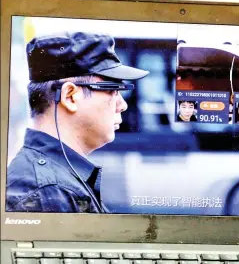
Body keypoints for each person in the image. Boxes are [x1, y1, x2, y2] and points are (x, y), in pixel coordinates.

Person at [6, 32, 149, 213]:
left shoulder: (53, 185)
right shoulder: (46, 193)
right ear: (70, 96)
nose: (123, 104)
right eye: (113, 89)